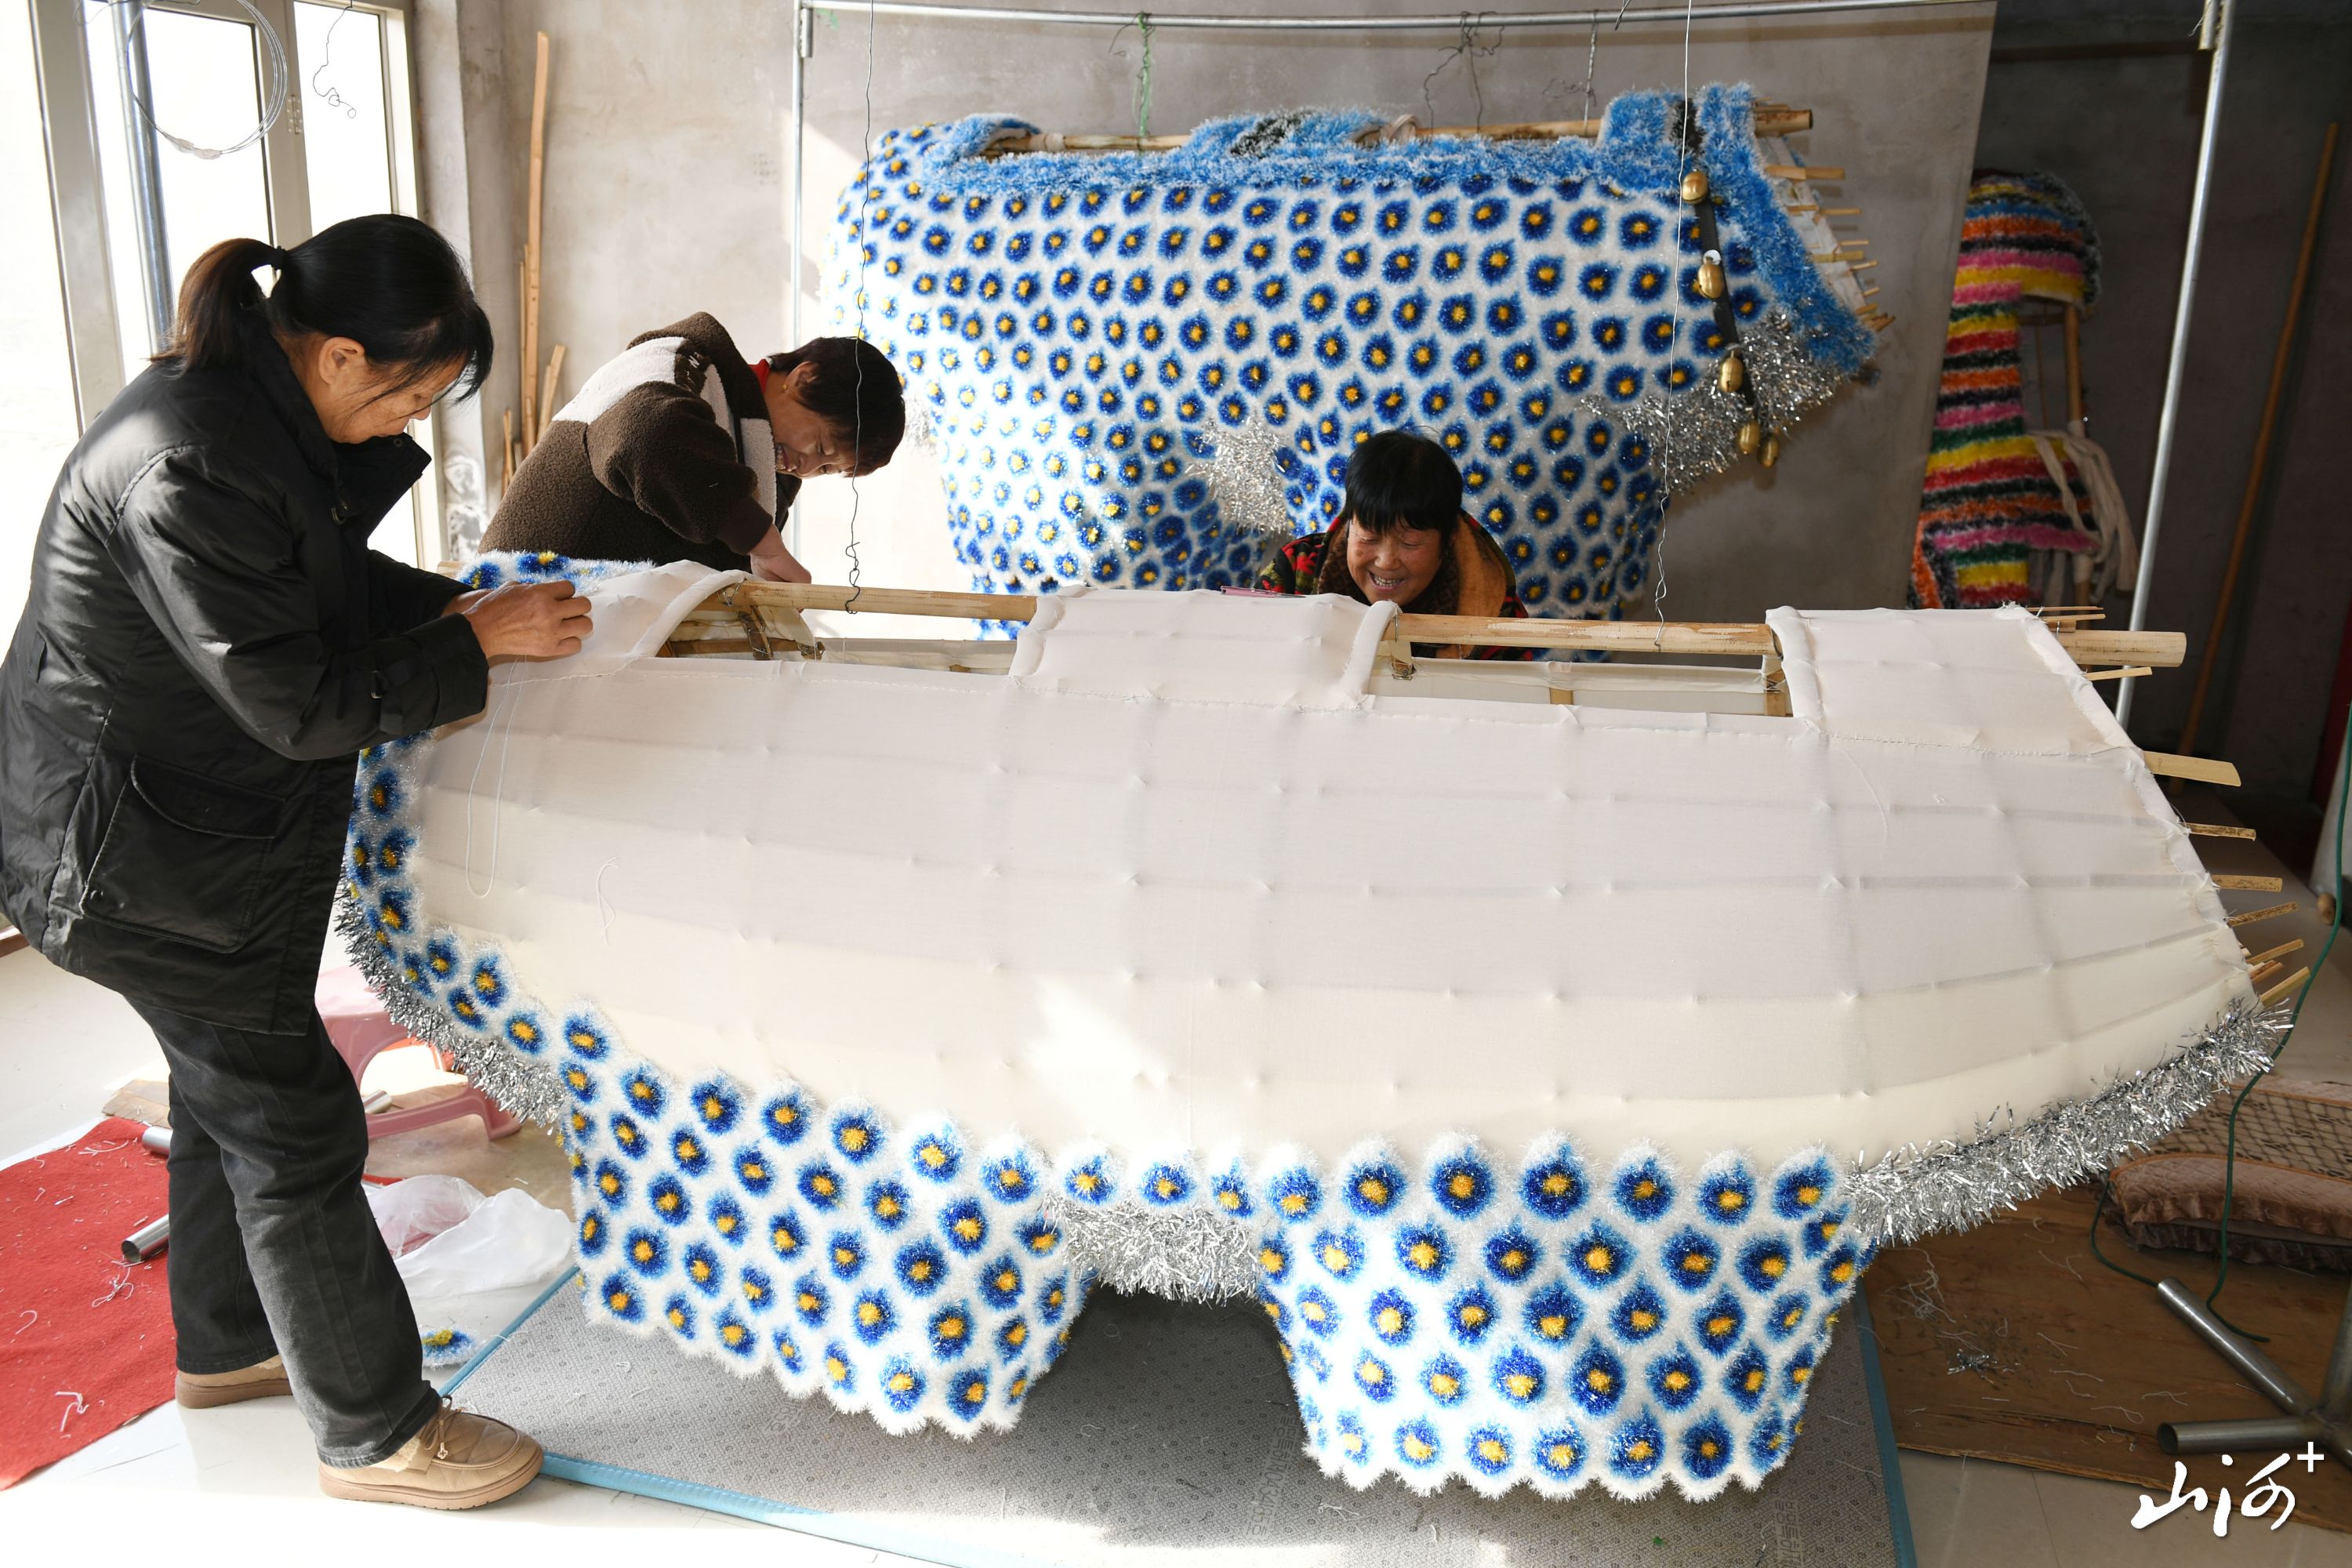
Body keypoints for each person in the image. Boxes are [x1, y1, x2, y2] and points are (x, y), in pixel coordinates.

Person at [0, 217, 587, 1510]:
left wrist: (453, 608)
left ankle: (229, 1347)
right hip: (131, 859)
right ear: (335, 354)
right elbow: (294, 699)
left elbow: (312, 585)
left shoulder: (249, 420)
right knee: (292, 1119)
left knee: (229, 1093)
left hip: (171, 834)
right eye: (410, 396)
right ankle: (378, 1432)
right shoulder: (191, 463)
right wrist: (472, 643)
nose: (412, 420)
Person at [479, 317, 905, 580]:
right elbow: (648, 439)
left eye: (827, 470)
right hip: (518, 594)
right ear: (803, 378)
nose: (806, 467)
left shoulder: (764, 479)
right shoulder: (685, 365)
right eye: (820, 446)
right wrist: (763, 542)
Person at [1258, 430, 1536, 660]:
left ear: (1448, 539)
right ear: (1349, 524)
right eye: (1369, 537)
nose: (1386, 561)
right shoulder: (1294, 574)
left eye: (1409, 543)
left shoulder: (1496, 615)